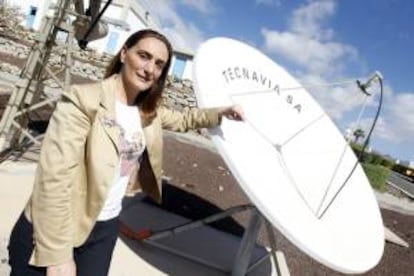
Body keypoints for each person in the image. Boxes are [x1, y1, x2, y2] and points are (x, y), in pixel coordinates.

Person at [8, 29, 244, 276]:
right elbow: (53, 179)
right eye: (144, 56)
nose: (149, 68)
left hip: (104, 227)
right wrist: (57, 255)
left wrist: (220, 112)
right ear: (123, 54)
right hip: (56, 227)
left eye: (159, 64)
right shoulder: (84, 100)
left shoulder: (148, 112)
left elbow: (184, 119)